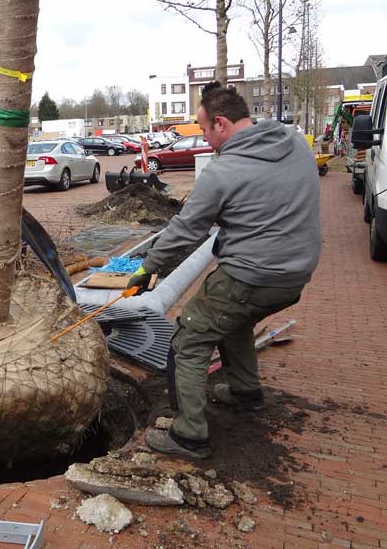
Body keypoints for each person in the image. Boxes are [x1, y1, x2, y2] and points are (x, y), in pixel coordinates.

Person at [128, 81, 321, 459]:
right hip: (296, 274)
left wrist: (148, 268)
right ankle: (245, 392)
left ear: (220, 123)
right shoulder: (294, 143)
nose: (203, 137)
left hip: (253, 274)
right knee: (232, 321)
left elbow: (186, 229)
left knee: (189, 338)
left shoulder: (223, 170)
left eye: (202, 129)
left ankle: (189, 436)